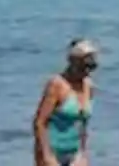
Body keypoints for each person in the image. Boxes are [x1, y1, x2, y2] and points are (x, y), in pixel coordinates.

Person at [33, 38, 97, 166]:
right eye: (82, 66)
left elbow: (83, 124)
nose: (86, 71)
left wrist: (82, 153)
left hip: (74, 153)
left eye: (90, 67)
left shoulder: (88, 86)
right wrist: (47, 156)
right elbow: (39, 123)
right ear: (72, 62)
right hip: (53, 151)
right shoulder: (57, 85)